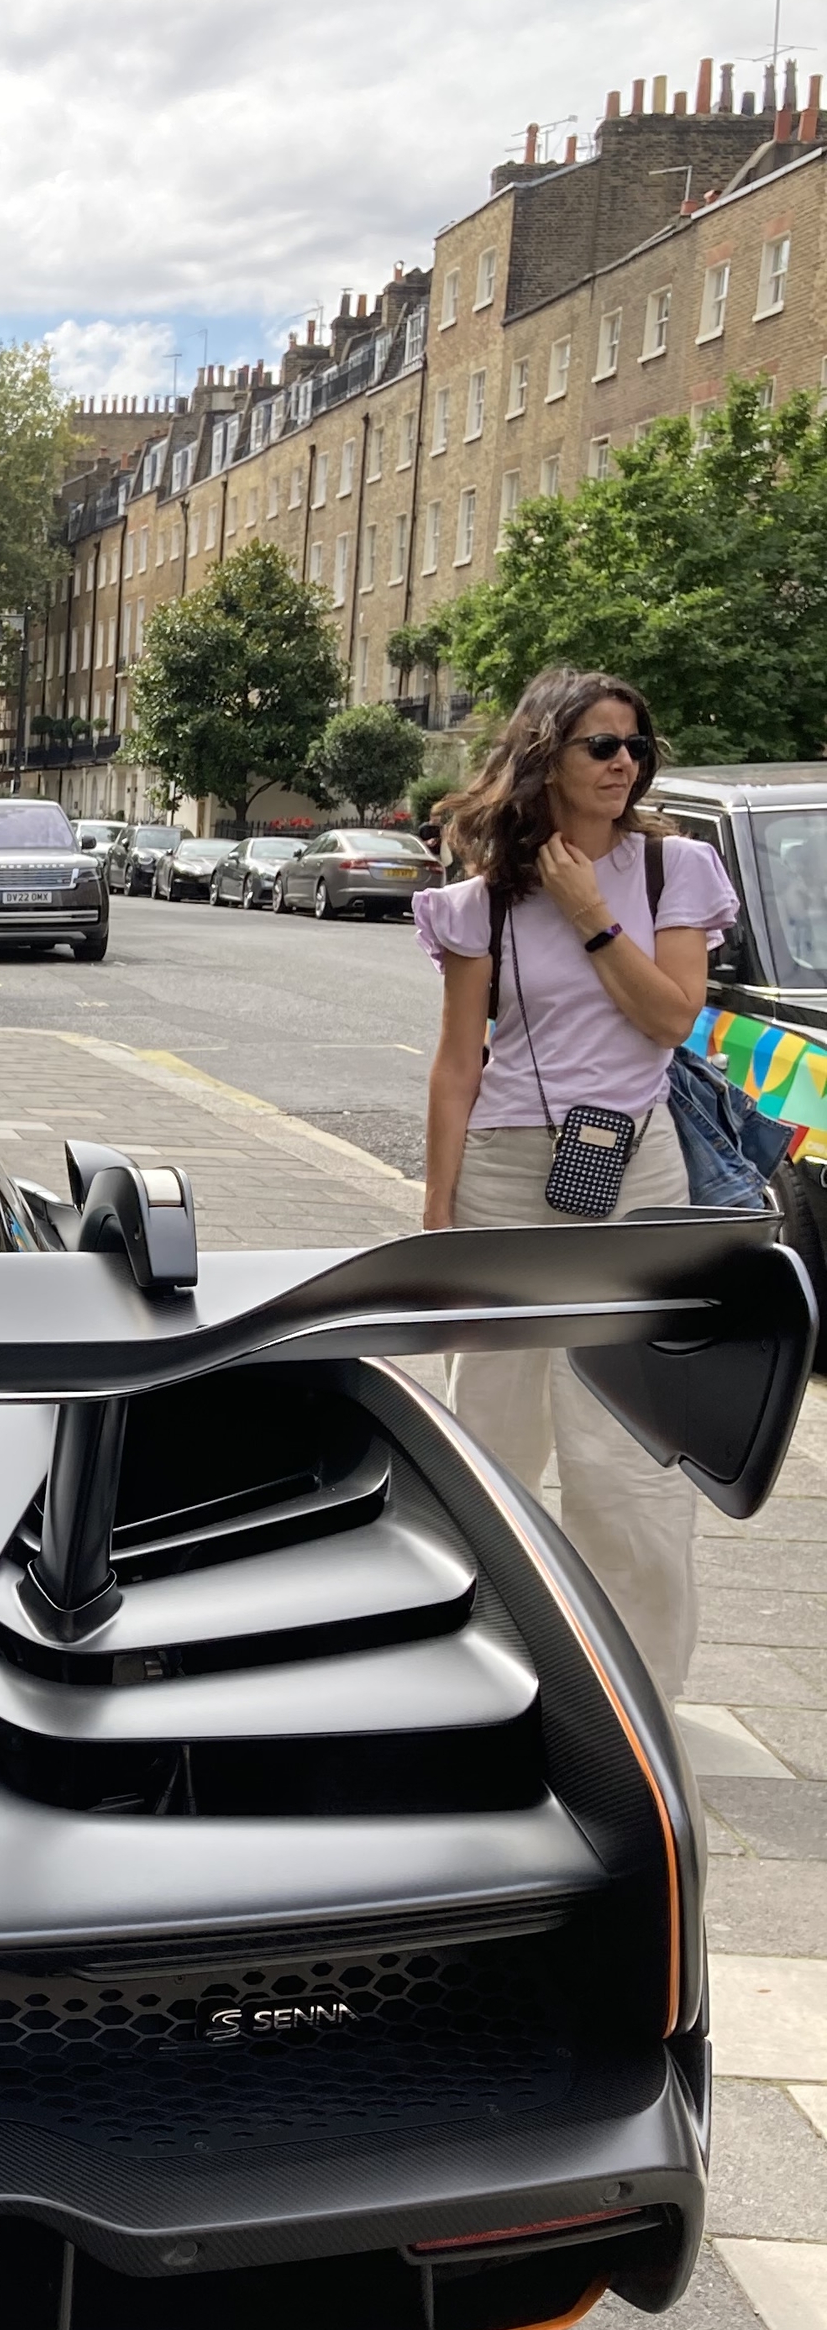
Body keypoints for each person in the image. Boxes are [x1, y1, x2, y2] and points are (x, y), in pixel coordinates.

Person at [417, 666, 737, 1700]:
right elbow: (459, 1062)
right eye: (599, 745)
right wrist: (434, 1214)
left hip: (634, 1168)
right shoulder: (479, 905)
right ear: (542, 756)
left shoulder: (670, 872)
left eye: (635, 746)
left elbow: (668, 1018)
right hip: (506, 1176)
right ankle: (489, 1670)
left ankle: (638, 1696)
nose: (621, 763)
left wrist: (591, 913)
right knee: (493, 1435)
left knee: (621, 1448)